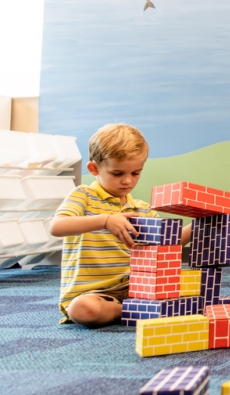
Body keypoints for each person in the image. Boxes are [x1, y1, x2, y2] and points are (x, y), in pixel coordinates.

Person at [50, 123, 192, 328]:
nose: (127, 181)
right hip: (91, 294)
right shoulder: (83, 196)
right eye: (118, 174)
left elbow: (169, 242)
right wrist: (105, 220)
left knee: (190, 289)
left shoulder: (142, 209)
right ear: (94, 168)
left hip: (135, 287)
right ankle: (132, 310)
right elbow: (57, 226)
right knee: (83, 310)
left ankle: (141, 307)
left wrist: (198, 228)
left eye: (135, 173)